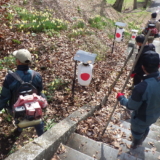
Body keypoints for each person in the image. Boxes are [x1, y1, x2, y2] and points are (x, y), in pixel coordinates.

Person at [117, 52, 160, 149]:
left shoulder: (141, 88)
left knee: (137, 132)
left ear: (143, 67)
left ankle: (136, 143)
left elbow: (131, 106)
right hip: (155, 114)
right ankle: (142, 137)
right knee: (146, 127)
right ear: (158, 65)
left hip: (141, 118)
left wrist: (121, 98)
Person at [0, 49, 45, 136]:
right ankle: (42, 135)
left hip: (17, 110)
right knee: (38, 121)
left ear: (18, 61)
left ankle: (19, 128)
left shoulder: (10, 78)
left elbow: (4, 98)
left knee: (17, 113)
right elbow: (40, 93)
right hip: (35, 108)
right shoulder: (37, 75)